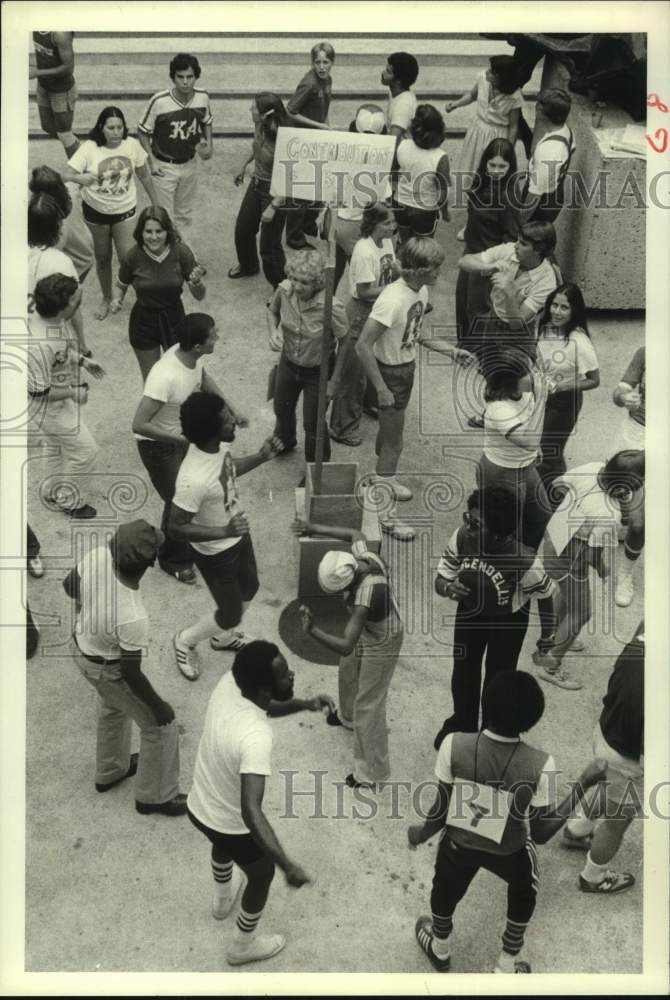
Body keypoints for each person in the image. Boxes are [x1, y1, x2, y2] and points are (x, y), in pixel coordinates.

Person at [408, 670, 608, 974]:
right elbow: (540, 833)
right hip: (509, 851)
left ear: (485, 706)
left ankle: (440, 947)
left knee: (444, 887)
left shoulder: (453, 744)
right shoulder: (542, 764)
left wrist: (420, 833)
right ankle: (505, 965)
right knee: (525, 889)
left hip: (459, 846)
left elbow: (439, 812)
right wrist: (584, 782)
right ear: (533, 719)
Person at [188, 641, 332, 965]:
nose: (292, 674)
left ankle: (222, 900)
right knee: (261, 872)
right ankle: (242, 945)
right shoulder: (255, 737)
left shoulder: (231, 683)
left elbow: (265, 704)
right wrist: (286, 864)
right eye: (283, 675)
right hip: (226, 818)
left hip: (199, 804)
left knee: (220, 841)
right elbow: (251, 811)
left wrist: (306, 704)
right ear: (264, 688)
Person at [63, 519, 187, 816]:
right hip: (108, 668)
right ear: (151, 562)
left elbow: (69, 586)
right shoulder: (132, 615)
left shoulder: (98, 555)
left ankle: (111, 771)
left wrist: (87, 609)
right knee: (160, 726)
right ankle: (155, 797)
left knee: (113, 707)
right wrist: (159, 707)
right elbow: (131, 674)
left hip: (80, 649)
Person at [169, 392, 283, 680]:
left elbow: (227, 471)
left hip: (237, 534)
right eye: (226, 419)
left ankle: (221, 638)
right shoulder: (192, 479)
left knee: (251, 587)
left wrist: (261, 457)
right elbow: (175, 526)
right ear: (211, 430)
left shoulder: (219, 446)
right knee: (230, 613)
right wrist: (224, 531)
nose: (234, 420)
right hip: (215, 552)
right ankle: (185, 640)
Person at [433, 486, 558, 749]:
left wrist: (547, 636)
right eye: (467, 518)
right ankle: (463, 723)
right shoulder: (461, 538)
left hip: (508, 623)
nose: (467, 526)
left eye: (476, 524)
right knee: (464, 672)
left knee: (498, 679)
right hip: (469, 613)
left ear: (500, 532)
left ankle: (493, 733)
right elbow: (441, 577)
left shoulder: (523, 560)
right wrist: (447, 587)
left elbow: (546, 596)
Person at [132, 312, 245, 585]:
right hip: (158, 447)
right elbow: (139, 424)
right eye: (213, 336)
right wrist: (183, 441)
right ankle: (173, 560)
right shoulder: (165, 377)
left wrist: (231, 406)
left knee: (191, 495)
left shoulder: (189, 356)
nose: (217, 337)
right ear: (197, 345)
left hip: (180, 438)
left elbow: (202, 378)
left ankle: (186, 545)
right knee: (177, 503)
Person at [293, 518, 404, 788]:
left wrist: (313, 631)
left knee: (370, 704)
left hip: (383, 639)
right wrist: (314, 527)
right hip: (369, 629)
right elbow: (353, 531)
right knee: (347, 669)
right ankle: (347, 717)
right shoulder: (363, 557)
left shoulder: (366, 596)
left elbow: (346, 644)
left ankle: (371, 773)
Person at [533, 450, 645, 688]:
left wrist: (574, 508)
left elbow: (557, 484)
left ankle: (553, 636)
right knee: (582, 612)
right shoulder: (609, 514)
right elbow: (594, 555)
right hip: (573, 558)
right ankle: (551, 666)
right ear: (626, 487)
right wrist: (605, 572)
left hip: (554, 538)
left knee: (566, 594)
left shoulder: (592, 467)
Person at [561, 622, 643, 894]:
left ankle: (578, 830)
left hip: (606, 732)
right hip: (629, 755)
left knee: (611, 786)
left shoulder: (647, 629)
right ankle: (593, 876)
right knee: (618, 821)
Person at [62, 106, 160, 320]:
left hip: (124, 209)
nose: (116, 132)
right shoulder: (89, 148)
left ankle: (143, 299)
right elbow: (65, 175)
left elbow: (144, 175)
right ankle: (107, 298)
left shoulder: (132, 146)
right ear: (101, 128)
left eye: (119, 127)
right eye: (111, 128)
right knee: (103, 258)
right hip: (96, 211)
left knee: (128, 258)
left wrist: (156, 203)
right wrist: (81, 179)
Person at [457, 221, 558, 415]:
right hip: (493, 321)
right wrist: (489, 264)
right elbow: (464, 261)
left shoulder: (547, 280)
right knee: (489, 371)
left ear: (538, 251)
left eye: (523, 244)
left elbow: (517, 323)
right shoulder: (509, 251)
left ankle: (520, 417)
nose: (516, 246)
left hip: (519, 334)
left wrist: (509, 291)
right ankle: (491, 415)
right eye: (518, 241)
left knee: (515, 381)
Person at [27, 274, 104, 520]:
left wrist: (82, 360)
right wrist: (73, 392)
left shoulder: (51, 319)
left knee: (56, 445)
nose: (80, 302)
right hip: (47, 408)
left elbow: (61, 351)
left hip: (56, 400)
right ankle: (70, 500)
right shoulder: (37, 344)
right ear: (64, 306)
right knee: (86, 450)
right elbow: (39, 393)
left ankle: (50, 489)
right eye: (76, 300)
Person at [267, 250, 348, 469]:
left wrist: (334, 381)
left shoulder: (331, 306)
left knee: (313, 425)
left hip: (317, 371)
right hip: (289, 362)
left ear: (317, 282)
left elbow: (346, 341)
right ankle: (285, 441)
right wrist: (273, 331)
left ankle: (317, 468)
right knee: (281, 409)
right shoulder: (284, 290)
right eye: (293, 278)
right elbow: (273, 312)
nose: (297, 286)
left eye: (304, 282)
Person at [329, 201, 399, 447]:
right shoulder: (363, 250)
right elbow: (365, 291)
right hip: (361, 311)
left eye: (393, 221)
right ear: (373, 224)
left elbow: (393, 265)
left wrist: (404, 273)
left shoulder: (387, 241)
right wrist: (397, 287)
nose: (393, 226)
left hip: (380, 308)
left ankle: (368, 404)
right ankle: (342, 426)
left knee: (374, 360)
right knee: (352, 371)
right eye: (387, 222)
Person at [110, 205, 206, 381]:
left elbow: (200, 295)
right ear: (141, 232)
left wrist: (196, 282)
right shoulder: (133, 256)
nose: (153, 237)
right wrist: (116, 299)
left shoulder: (181, 252)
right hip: (143, 323)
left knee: (181, 375)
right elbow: (121, 285)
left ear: (167, 231)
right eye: (148, 231)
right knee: (152, 380)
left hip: (175, 319)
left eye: (159, 231)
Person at [138, 53, 213, 260]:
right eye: (180, 77)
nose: (185, 82)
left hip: (190, 163)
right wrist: (150, 162)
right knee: (165, 216)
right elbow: (142, 131)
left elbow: (207, 121)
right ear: (173, 77)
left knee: (184, 215)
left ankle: (183, 256)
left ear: (196, 76)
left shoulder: (203, 97)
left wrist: (209, 144)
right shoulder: (159, 101)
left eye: (190, 76)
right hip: (164, 164)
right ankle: (172, 258)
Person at [446, 55, 524, 238]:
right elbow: (472, 96)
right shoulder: (482, 78)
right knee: (471, 175)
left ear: (502, 78)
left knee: (489, 181)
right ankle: (470, 221)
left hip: (496, 137)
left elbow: (513, 126)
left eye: (493, 72)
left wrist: (506, 151)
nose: (487, 72)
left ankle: (487, 221)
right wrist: (456, 104)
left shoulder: (515, 97)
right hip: (477, 131)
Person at [478, 353, 550, 551]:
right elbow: (529, 441)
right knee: (507, 530)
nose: (533, 375)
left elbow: (529, 422)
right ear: (510, 382)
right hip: (503, 471)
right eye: (527, 373)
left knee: (541, 516)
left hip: (525, 465)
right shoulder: (499, 409)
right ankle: (506, 569)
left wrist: (538, 449)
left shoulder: (524, 391)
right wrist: (542, 398)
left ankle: (524, 561)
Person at [455, 138, 519, 347]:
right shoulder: (479, 183)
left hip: (488, 258)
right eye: (492, 165)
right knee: (462, 300)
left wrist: (493, 267)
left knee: (479, 308)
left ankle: (480, 351)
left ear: (511, 167)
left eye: (502, 166)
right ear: (485, 163)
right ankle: (465, 345)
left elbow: (511, 237)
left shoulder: (509, 197)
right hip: (471, 250)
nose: (496, 170)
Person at [535, 284, 600, 494]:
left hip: (564, 403)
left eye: (564, 308)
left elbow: (593, 380)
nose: (557, 311)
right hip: (540, 395)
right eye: (554, 305)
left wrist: (560, 387)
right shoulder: (543, 327)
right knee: (542, 445)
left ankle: (552, 495)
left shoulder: (579, 341)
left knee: (549, 451)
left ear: (574, 312)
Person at [229, 93, 288, 286]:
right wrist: (244, 165)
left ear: (266, 113)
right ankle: (249, 265)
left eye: (254, 107)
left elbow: (292, 175)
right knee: (243, 231)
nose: (250, 110)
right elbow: (256, 147)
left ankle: (281, 288)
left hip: (275, 192)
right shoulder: (260, 125)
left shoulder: (284, 139)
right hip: (257, 184)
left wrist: (274, 205)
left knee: (269, 248)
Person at [332, 103, 390, 294]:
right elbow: (384, 200)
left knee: (333, 271)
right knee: (363, 280)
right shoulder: (379, 164)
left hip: (337, 221)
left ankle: (323, 310)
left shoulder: (342, 155)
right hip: (360, 226)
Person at [285, 42, 334, 249]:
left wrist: (326, 126)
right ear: (312, 62)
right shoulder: (310, 84)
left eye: (326, 62)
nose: (321, 67)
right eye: (317, 62)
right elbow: (290, 110)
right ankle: (294, 237)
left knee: (316, 185)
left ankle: (307, 224)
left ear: (332, 62)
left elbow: (324, 107)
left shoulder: (327, 80)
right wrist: (319, 125)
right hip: (303, 141)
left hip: (317, 140)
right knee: (300, 190)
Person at [28, 192, 89, 355]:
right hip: (48, 335)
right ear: (56, 227)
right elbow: (72, 305)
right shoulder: (60, 262)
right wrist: (82, 346)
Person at [611, 347, 645, 607]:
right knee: (618, 493)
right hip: (635, 435)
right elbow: (618, 392)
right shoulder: (646, 352)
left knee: (639, 522)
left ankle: (625, 574)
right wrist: (625, 398)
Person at [29, 164, 95, 287]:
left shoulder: (59, 225)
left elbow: (49, 255)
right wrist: (75, 178)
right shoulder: (70, 190)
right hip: (86, 249)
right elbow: (65, 179)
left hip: (77, 263)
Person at [394, 105, 451, 242]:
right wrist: (445, 212)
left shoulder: (403, 145)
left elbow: (393, 174)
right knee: (422, 250)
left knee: (405, 244)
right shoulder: (441, 157)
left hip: (400, 204)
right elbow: (442, 194)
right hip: (425, 210)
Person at [519, 89, 575, 224]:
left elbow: (534, 197)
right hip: (555, 194)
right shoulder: (567, 131)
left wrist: (519, 223)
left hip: (541, 205)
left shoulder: (548, 151)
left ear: (539, 109)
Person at [30, 31, 78, 156]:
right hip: (43, 86)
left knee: (64, 134)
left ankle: (81, 167)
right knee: (47, 127)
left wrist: (37, 73)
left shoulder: (60, 33)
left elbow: (68, 68)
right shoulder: (35, 25)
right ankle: (78, 148)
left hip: (61, 90)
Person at [381, 51, 419, 140]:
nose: (383, 73)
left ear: (398, 81)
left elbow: (392, 141)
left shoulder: (403, 106)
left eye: (388, 72)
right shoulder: (395, 92)